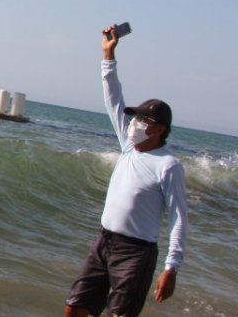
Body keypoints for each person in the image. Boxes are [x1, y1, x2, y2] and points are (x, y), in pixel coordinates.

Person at [64, 25, 187, 317]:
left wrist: (171, 268)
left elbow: (178, 218)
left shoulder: (168, 165)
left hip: (136, 253)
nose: (134, 123)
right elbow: (113, 98)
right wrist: (108, 54)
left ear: (159, 129)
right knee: (74, 309)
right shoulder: (129, 147)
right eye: (134, 118)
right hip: (103, 242)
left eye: (143, 120)